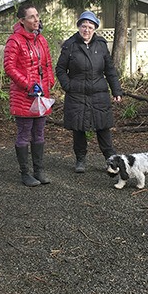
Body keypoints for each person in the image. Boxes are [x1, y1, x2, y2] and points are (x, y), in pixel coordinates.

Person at [56, 10, 123, 173]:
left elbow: (110, 69)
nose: (86, 30)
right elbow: (60, 69)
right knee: (78, 128)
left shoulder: (101, 44)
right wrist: (68, 86)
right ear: (79, 27)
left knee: (103, 126)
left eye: (90, 27)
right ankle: (80, 159)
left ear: (95, 29)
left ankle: (111, 159)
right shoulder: (70, 45)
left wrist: (116, 90)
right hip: (76, 93)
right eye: (84, 26)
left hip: (99, 93)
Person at [3, 2, 55, 187]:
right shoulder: (14, 40)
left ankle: (38, 171)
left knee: (39, 133)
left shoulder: (41, 40)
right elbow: (9, 67)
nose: (36, 19)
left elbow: (47, 63)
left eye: (37, 15)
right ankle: (25, 173)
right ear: (22, 20)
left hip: (41, 96)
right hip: (23, 97)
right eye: (31, 16)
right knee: (25, 134)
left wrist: (49, 81)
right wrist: (28, 85)